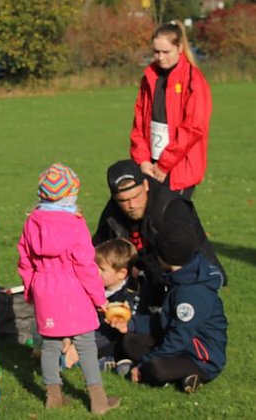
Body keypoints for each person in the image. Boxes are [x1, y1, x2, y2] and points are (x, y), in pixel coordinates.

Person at [17, 163, 119, 414]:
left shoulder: (32, 223)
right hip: (72, 290)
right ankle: (98, 400)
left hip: (44, 289)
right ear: (70, 195)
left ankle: (53, 396)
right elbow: (85, 265)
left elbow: (25, 261)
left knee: (50, 346)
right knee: (86, 344)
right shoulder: (75, 223)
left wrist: (31, 290)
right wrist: (99, 297)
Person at [108, 219, 227, 393]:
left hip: (200, 358)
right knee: (130, 341)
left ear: (167, 256)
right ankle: (184, 377)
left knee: (155, 368)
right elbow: (165, 321)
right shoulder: (181, 276)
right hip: (181, 346)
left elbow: (179, 336)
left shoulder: (191, 294)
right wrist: (132, 324)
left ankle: (195, 374)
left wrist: (142, 365)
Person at [94, 159, 226, 310]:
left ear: (146, 185)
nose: (132, 205)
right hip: (143, 285)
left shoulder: (172, 207)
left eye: (136, 196)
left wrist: (142, 272)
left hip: (189, 282)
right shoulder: (112, 212)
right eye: (123, 200)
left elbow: (182, 258)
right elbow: (98, 247)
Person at [130, 21, 211, 199]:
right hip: (150, 166)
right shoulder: (149, 78)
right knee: (147, 222)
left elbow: (193, 128)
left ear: (179, 48)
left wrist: (164, 164)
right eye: (156, 51)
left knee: (170, 221)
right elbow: (139, 124)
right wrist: (142, 159)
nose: (160, 57)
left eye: (166, 52)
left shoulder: (193, 81)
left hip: (179, 168)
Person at [93, 238, 142, 373]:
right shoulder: (96, 288)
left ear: (121, 273)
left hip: (111, 339)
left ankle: (109, 361)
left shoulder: (128, 297)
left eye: (102, 269)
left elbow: (125, 325)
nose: (96, 272)